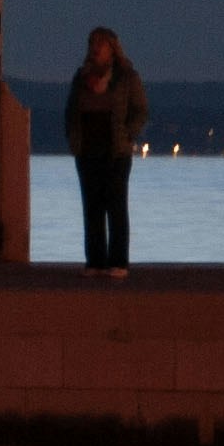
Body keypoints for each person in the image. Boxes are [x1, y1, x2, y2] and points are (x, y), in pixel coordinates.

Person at [62, 25, 149, 276]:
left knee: (116, 206)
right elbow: (71, 111)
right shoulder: (81, 77)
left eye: (102, 43)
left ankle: (118, 261)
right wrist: (73, 138)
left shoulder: (126, 77)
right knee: (92, 207)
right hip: (87, 149)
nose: (96, 48)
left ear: (113, 49)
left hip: (116, 151)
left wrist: (127, 134)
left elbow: (140, 110)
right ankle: (95, 260)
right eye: (93, 43)